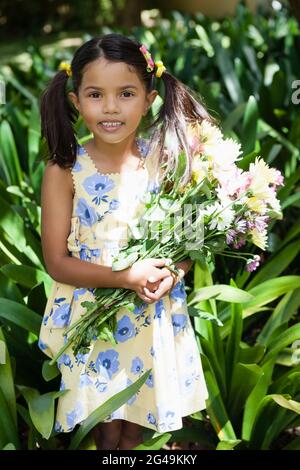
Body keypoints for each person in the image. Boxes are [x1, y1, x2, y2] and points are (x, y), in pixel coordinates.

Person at [38, 33, 210, 451]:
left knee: (138, 422)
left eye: (126, 93)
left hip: (152, 316)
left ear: (149, 99)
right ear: (76, 101)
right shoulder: (65, 170)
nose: (111, 108)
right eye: (96, 94)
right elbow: (57, 262)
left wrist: (172, 273)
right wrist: (125, 275)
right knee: (104, 424)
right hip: (92, 317)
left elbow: (190, 240)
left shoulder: (167, 161)